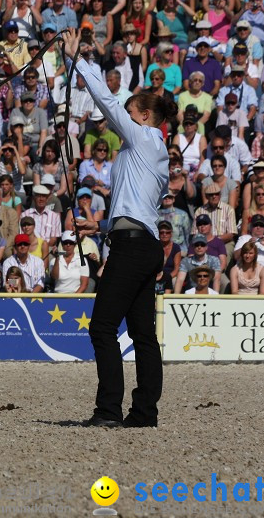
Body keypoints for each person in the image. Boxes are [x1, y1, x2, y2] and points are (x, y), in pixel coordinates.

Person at [59, 30, 170, 429]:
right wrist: (100, 224)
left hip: (131, 248)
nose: (124, 113)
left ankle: (108, 409)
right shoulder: (149, 151)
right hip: (140, 241)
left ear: (143, 115)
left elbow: (106, 102)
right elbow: (136, 207)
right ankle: (143, 413)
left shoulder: (142, 137)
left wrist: (78, 60)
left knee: (103, 325)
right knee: (142, 334)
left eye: (131, 109)